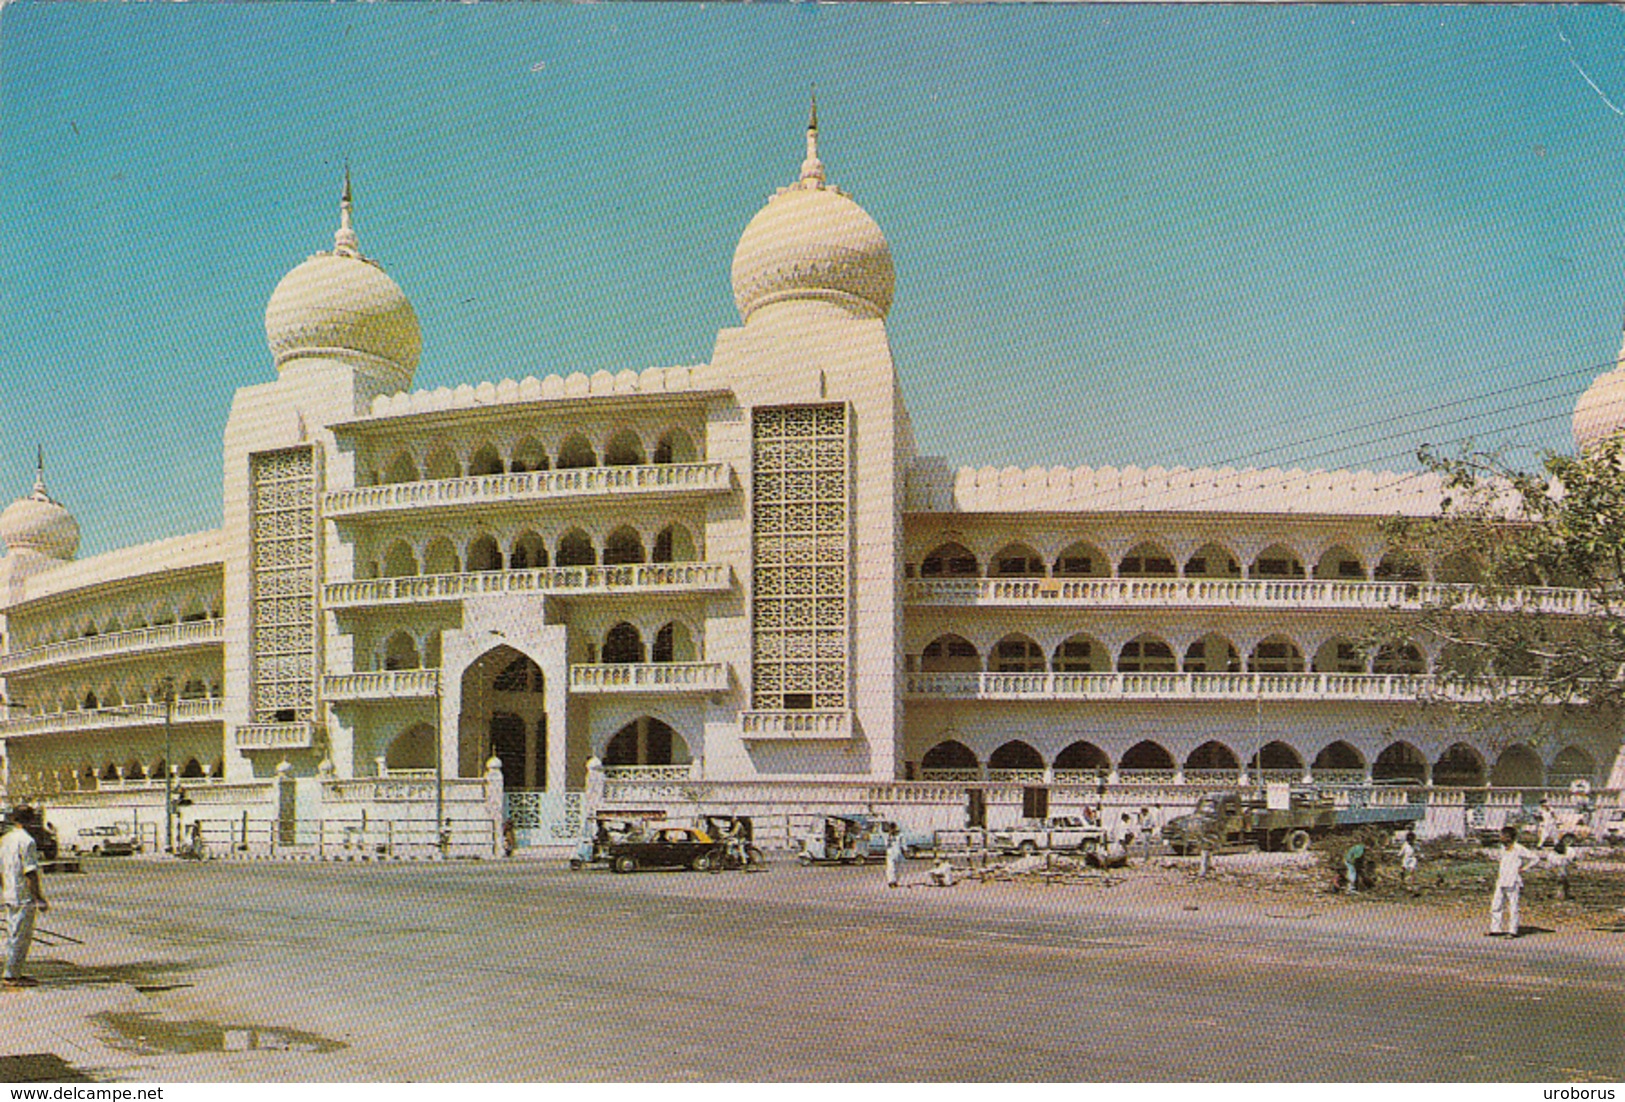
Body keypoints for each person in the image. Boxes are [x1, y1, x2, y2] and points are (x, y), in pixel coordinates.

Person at [2, 807, 51, 989]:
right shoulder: (27, 841)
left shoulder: (6, 840)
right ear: (30, 820)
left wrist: (5, 888)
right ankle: (12, 975)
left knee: (13, 934)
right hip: (23, 895)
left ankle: (13, 971)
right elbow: (30, 872)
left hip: (10, 892)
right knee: (21, 936)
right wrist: (39, 897)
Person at [1489, 825, 1542, 938]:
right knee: (1496, 905)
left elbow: (1535, 858)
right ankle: (1495, 929)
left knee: (1513, 906)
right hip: (1501, 879)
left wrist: (1524, 868)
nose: (1501, 838)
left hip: (1513, 880)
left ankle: (1513, 930)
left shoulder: (1518, 848)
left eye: (1502, 836)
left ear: (1509, 837)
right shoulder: (1502, 848)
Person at [1399, 830, 1420, 895]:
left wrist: (1419, 855)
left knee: (1412, 871)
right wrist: (1398, 856)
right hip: (1406, 858)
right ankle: (1402, 883)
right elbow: (1401, 852)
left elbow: (1418, 851)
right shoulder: (1405, 845)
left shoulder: (1416, 845)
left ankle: (1411, 884)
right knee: (1403, 870)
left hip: (1413, 858)